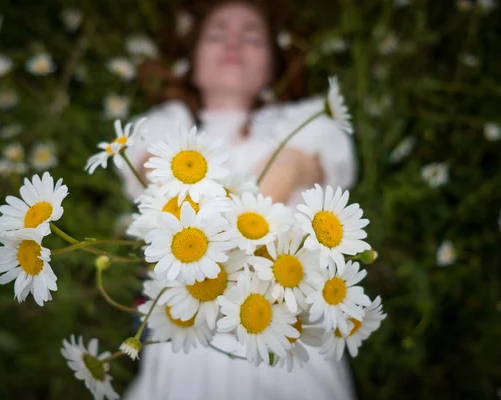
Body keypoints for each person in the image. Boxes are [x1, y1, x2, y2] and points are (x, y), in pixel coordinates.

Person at [119, 1, 357, 399]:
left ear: (272, 66)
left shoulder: (306, 121)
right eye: (215, 35)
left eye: (251, 37)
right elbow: (158, 180)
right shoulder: (165, 124)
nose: (232, 44)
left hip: (283, 332)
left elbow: (290, 169)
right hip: (189, 330)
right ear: (192, 64)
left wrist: (215, 249)